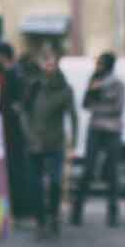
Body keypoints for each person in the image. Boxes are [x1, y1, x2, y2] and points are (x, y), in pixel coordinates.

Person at [23, 53, 77, 236]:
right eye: (45, 63)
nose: (48, 67)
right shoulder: (34, 86)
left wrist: (74, 142)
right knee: (34, 185)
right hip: (34, 142)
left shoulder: (64, 89)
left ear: (56, 66)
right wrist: (27, 132)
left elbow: (73, 116)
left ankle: (53, 215)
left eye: (51, 64)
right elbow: (23, 110)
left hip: (54, 142)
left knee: (55, 182)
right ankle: (40, 221)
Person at [75, 52, 125, 227]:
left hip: (112, 130)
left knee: (112, 172)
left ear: (108, 65)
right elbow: (85, 105)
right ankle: (77, 211)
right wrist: (93, 91)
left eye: (100, 64)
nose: (97, 67)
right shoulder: (92, 81)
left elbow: (118, 108)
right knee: (87, 170)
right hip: (95, 129)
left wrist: (99, 102)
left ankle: (113, 215)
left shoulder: (118, 83)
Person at [0, 42, 33, 221]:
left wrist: (12, 109)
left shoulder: (12, 74)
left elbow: (17, 102)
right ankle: (20, 209)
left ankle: (18, 209)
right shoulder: (17, 72)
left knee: (14, 169)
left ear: (3, 55)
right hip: (14, 128)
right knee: (16, 169)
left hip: (12, 128)